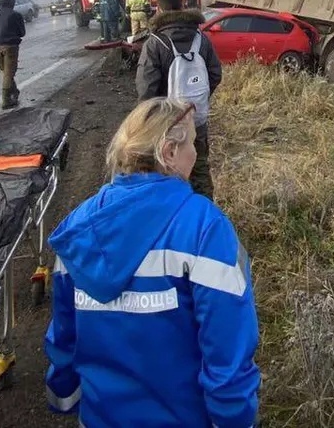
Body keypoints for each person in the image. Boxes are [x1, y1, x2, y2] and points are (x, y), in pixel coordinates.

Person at [44, 98, 260, 427]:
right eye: (193, 142)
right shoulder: (205, 229)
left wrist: (64, 394)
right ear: (169, 152)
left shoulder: (79, 228)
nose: (197, 153)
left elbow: (64, 337)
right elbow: (227, 354)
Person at [136, 0, 222, 199]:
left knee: (166, 169)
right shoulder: (202, 39)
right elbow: (215, 74)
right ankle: (204, 218)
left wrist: (148, 119)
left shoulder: (155, 42)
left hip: (166, 122)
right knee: (200, 167)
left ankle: (175, 217)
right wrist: (198, 98)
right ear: (182, 6)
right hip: (196, 118)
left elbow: (146, 88)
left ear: (159, 9)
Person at [0, 0, 26, 110]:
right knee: (9, 73)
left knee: (5, 72)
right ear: (12, 3)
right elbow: (22, 32)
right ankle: (6, 100)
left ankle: (14, 92)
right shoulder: (15, 15)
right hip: (10, 46)